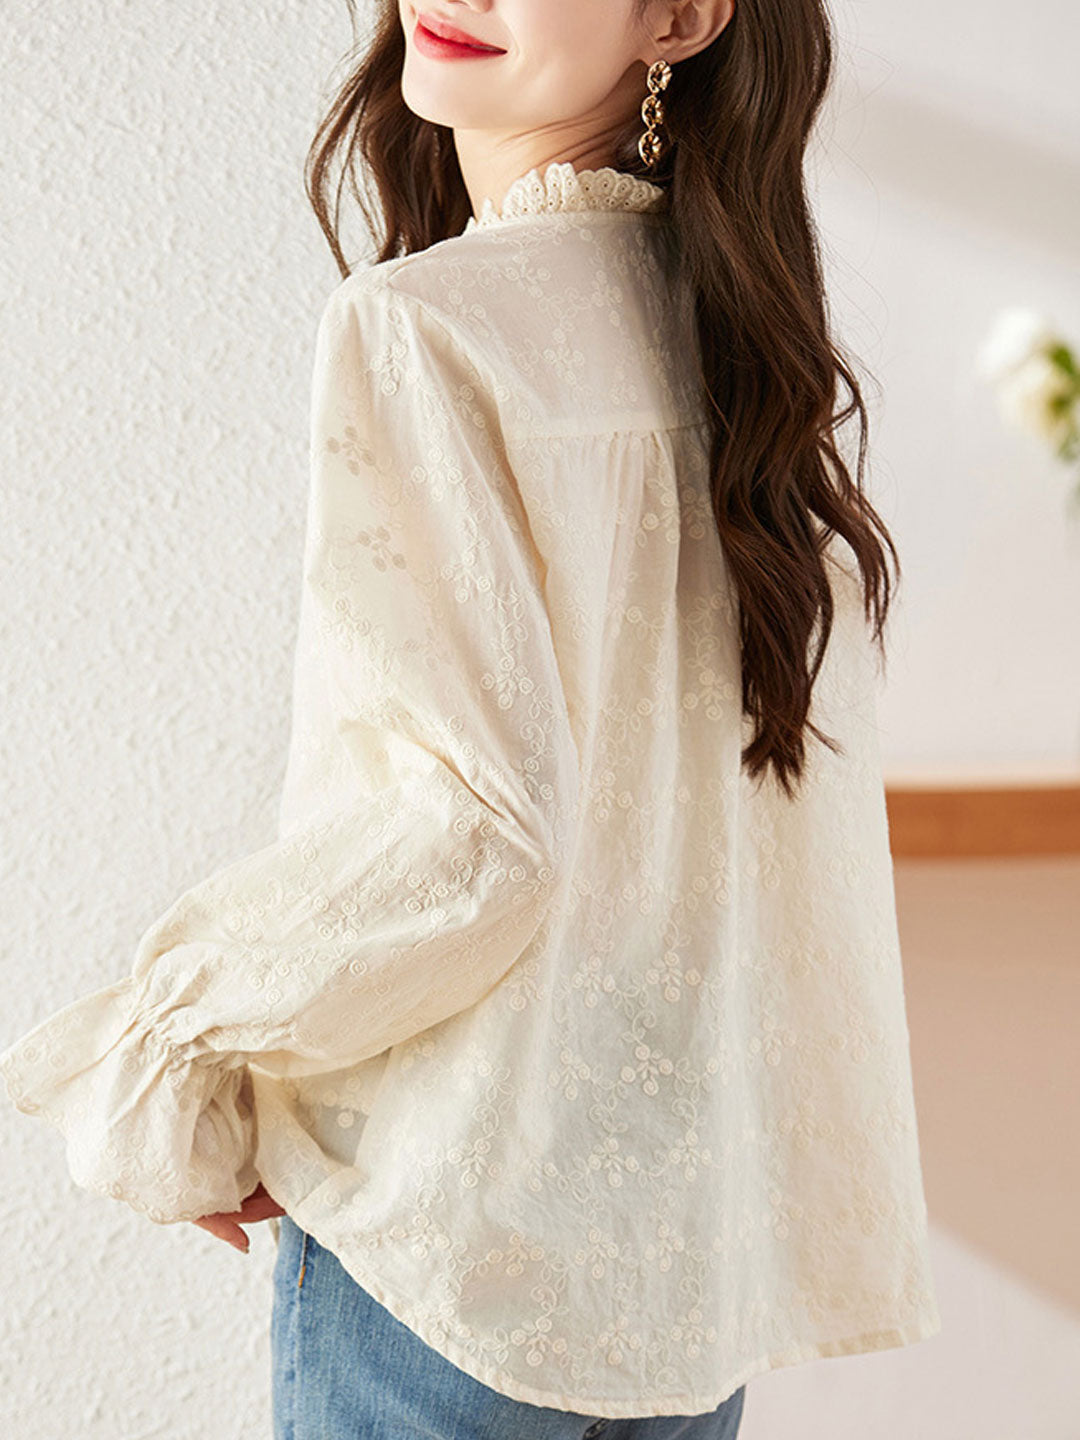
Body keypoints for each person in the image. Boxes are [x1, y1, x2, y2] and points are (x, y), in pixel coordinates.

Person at [0, 0, 943, 1436]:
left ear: (679, 17)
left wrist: (175, 1048)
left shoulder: (423, 326)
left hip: (452, 1254)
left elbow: (471, 831)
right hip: (681, 1278)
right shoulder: (751, 358)